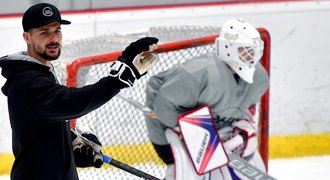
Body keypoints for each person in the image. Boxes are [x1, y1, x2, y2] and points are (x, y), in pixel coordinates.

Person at [0, 3, 158, 180]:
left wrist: (70, 144)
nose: (53, 38)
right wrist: (115, 81)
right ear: (27, 37)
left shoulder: (40, 73)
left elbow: (41, 131)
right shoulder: (27, 81)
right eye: (44, 32)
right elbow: (72, 102)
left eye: (57, 31)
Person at [144, 18, 269, 179]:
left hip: (216, 131)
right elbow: (163, 106)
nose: (252, 56)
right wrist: (196, 133)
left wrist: (244, 129)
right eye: (245, 50)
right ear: (227, 48)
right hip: (169, 131)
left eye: (254, 50)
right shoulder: (200, 74)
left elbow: (247, 109)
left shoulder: (260, 78)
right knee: (181, 171)